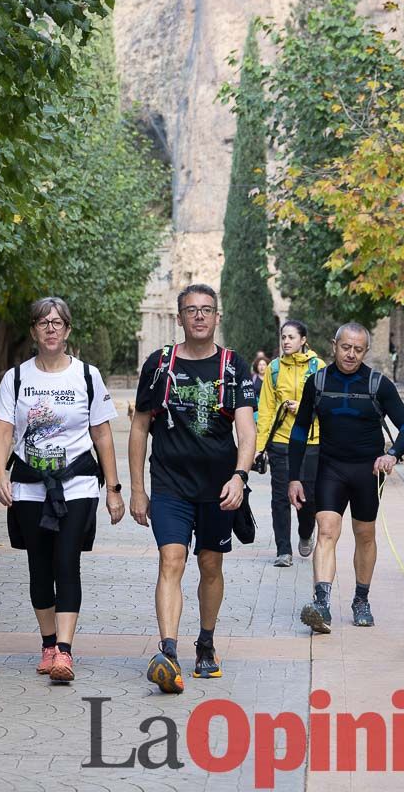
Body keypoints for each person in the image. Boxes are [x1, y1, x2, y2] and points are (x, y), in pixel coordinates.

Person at [0, 297, 125, 684]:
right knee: (39, 565)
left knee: (67, 562)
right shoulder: (16, 377)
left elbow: (101, 432)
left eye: (58, 322)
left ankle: (64, 651)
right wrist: (0, 473)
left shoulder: (87, 376)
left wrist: (113, 488)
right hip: (30, 487)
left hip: (78, 484)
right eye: (43, 322)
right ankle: (47, 643)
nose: (51, 328)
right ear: (33, 330)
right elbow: (2, 429)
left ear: (67, 330)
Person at [130, 284, 256, 693]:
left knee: (210, 566)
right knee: (171, 560)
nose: (199, 316)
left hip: (218, 489)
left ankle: (206, 642)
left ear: (217, 317)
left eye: (206, 310)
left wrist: (240, 476)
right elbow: (139, 428)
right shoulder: (159, 365)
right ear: (179, 318)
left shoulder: (233, 366)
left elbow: (247, 430)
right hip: (169, 485)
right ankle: (168, 651)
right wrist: (136, 488)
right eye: (191, 310)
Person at [288, 323, 404, 634]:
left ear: (365, 351)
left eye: (358, 350)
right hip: (329, 467)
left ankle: (361, 599)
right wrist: (294, 478)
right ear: (335, 345)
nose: (351, 354)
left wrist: (393, 454)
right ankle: (321, 604)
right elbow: (299, 431)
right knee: (327, 532)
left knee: (365, 536)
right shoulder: (317, 382)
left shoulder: (378, 384)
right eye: (346, 347)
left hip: (367, 472)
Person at [255, 320, 324, 567]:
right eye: (283, 337)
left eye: (291, 337)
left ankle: (306, 532)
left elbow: (326, 404)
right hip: (281, 442)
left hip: (311, 441)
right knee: (280, 497)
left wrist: (304, 408)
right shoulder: (274, 369)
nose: (286, 341)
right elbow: (265, 409)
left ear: (303, 340)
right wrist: (260, 446)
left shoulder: (319, 367)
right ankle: (283, 550)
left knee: (309, 497)